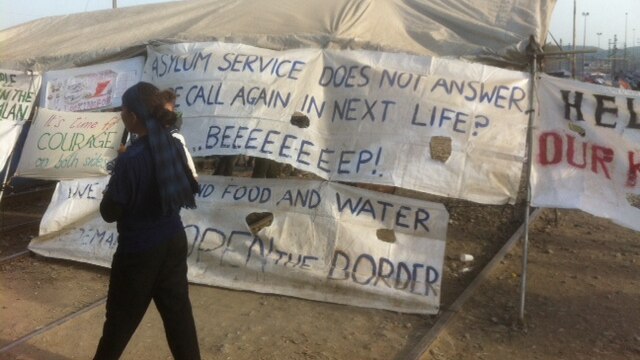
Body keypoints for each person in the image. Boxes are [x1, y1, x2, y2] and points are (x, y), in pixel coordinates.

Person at [94, 82, 201, 360]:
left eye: (122, 109)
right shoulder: (173, 145)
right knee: (179, 319)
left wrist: (113, 180)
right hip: (173, 242)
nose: (120, 114)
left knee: (119, 322)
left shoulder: (130, 160)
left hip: (139, 253)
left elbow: (109, 212)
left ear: (131, 117)